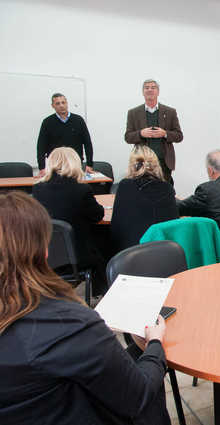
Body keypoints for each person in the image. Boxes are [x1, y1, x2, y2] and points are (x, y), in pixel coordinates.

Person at [0, 191, 170, 425]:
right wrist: (154, 344)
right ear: (45, 251)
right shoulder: (68, 325)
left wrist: (94, 338)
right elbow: (138, 395)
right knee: (141, 361)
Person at [32, 147, 108, 295]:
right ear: (75, 163)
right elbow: (97, 216)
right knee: (103, 241)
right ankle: (101, 293)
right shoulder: (81, 190)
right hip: (78, 257)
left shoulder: (38, 189)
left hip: (46, 255)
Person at [111, 146, 179, 253]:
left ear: (132, 165)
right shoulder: (167, 188)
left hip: (129, 256)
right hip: (164, 255)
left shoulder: (125, 186)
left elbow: (116, 225)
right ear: (157, 165)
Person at [125, 79, 183, 185]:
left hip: (164, 162)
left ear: (158, 92)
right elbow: (128, 137)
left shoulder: (170, 112)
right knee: (142, 194)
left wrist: (165, 133)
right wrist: (140, 134)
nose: (150, 90)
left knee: (164, 192)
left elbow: (179, 136)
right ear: (143, 92)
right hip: (142, 162)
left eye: (153, 87)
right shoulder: (133, 113)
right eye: (146, 88)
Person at [36, 93, 93, 177]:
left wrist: (89, 164)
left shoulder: (78, 120)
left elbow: (87, 143)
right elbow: (41, 146)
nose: (61, 105)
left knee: (76, 187)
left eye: (63, 102)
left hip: (75, 163)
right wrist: (42, 167)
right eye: (58, 103)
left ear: (67, 103)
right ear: (53, 106)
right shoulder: (47, 122)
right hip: (56, 164)